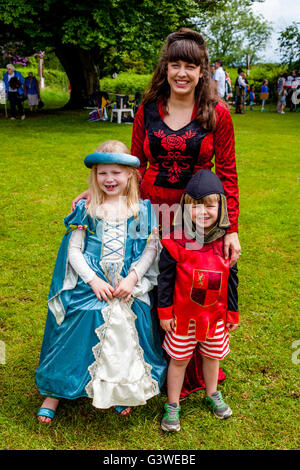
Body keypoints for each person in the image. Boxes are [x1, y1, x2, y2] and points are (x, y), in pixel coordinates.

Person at [72, 28, 241, 400]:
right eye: (175, 64)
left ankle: (192, 366)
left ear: (202, 71)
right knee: (148, 281)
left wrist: (231, 230)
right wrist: (98, 188)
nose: (182, 73)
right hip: (148, 209)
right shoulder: (147, 110)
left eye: (190, 66)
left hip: (197, 217)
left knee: (190, 284)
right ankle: (142, 365)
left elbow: (226, 173)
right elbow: (133, 163)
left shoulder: (218, 114)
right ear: (165, 68)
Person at [35, 140, 167, 423]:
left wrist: (132, 278)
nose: (109, 179)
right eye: (103, 173)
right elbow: (73, 251)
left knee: (130, 322)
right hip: (90, 284)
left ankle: (122, 388)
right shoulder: (87, 209)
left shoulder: (142, 209)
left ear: (130, 174)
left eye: (117, 172)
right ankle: (55, 391)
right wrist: (93, 281)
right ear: (94, 176)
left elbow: (151, 248)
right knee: (80, 319)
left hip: (127, 284)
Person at [157, 170, 239, 432]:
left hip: (214, 316)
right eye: (196, 206)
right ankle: (172, 403)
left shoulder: (225, 242)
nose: (203, 211)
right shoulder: (175, 241)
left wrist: (232, 313)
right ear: (185, 207)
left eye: (210, 205)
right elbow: (165, 280)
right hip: (181, 318)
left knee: (212, 357)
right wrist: (164, 312)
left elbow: (232, 280)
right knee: (179, 359)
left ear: (221, 207)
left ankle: (212, 392)